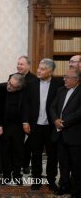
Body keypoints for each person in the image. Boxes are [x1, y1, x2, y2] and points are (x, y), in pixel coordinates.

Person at [23, 58, 63, 191]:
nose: (39, 71)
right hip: (35, 125)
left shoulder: (59, 84)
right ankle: (36, 180)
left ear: (50, 72)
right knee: (36, 154)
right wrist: (25, 121)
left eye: (43, 69)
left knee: (52, 155)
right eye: (39, 67)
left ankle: (51, 180)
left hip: (51, 126)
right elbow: (26, 104)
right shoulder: (31, 83)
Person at [50, 68, 81, 197]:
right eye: (64, 76)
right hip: (60, 134)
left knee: (77, 165)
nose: (64, 79)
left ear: (77, 80)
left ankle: (77, 190)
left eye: (67, 77)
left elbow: (79, 112)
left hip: (75, 134)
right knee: (63, 163)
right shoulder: (61, 90)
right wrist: (56, 119)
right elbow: (52, 107)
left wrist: (64, 122)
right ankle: (64, 185)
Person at [0, 73, 26, 185]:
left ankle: (17, 175)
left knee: (18, 151)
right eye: (9, 83)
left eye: (13, 86)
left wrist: (26, 122)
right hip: (3, 126)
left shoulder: (24, 92)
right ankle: (6, 175)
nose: (9, 86)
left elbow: (27, 108)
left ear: (19, 87)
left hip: (18, 126)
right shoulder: (1, 87)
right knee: (4, 151)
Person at [15, 55, 37, 175]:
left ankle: (25, 164)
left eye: (21, 64)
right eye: (18, 64)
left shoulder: (34, 79)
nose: (19, 66)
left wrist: (27, 119)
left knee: (28, 142)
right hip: (15, 115)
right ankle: (16, 164)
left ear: (28, 65)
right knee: (17, 142)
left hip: (29, 115)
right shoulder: (12, 77)